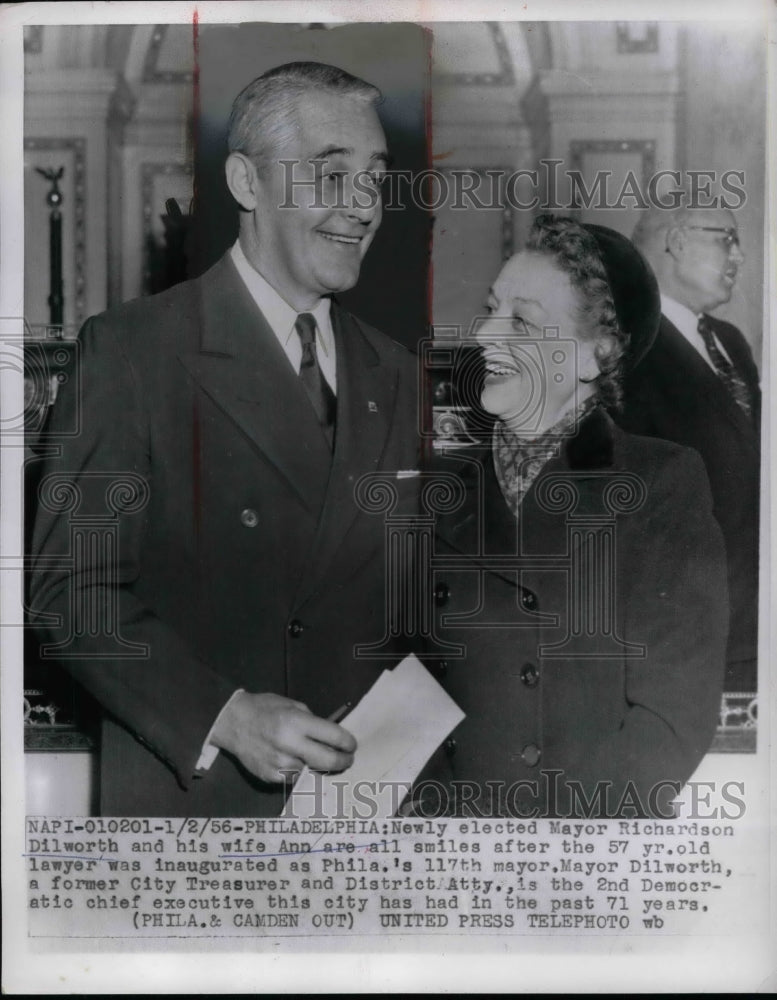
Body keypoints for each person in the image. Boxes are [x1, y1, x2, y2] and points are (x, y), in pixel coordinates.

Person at [29, 62, 420, 817]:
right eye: (329, 175)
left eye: (375, 178)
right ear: (246, 182)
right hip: (198, 808)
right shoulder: (133, 351)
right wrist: (227, 716)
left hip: (359, 816)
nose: (362, 206)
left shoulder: (395, 371)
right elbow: (69, 593)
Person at [418, 215, 728, 819]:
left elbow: (671, 722)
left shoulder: (658, 485)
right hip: (455, 868)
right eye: (489, 310)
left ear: (593, 355)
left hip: (581, 860)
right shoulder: (443, 494)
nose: (484, 337)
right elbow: (413, 696)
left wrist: (545, 858)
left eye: (523, 322)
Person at [617, 205, 760, 692]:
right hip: (681, 634)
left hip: (748, 624)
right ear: (677, 242)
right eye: (727, 239)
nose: (739, 256)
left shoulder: (729, 341)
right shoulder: (626, 348)